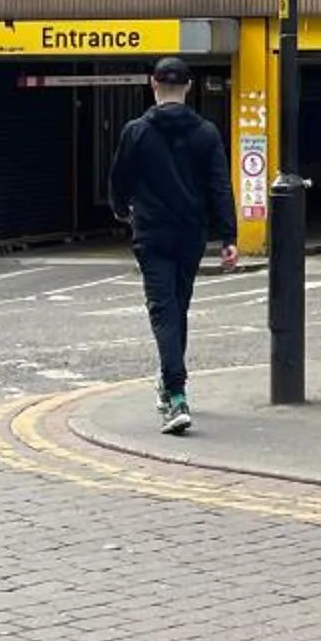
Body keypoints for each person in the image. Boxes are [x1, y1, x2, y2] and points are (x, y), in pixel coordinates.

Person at [109, 57, 237, 432]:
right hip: (190, 235)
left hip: (151, 234)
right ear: (189, 87)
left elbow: (120, 179)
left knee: (164, 310)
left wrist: (120, 210)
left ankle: (175, 394)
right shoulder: (206, 133)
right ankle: (170, 382)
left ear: (153, 84)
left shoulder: (136, 131)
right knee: (178, 306)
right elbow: (219, 186)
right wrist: (228, 236)